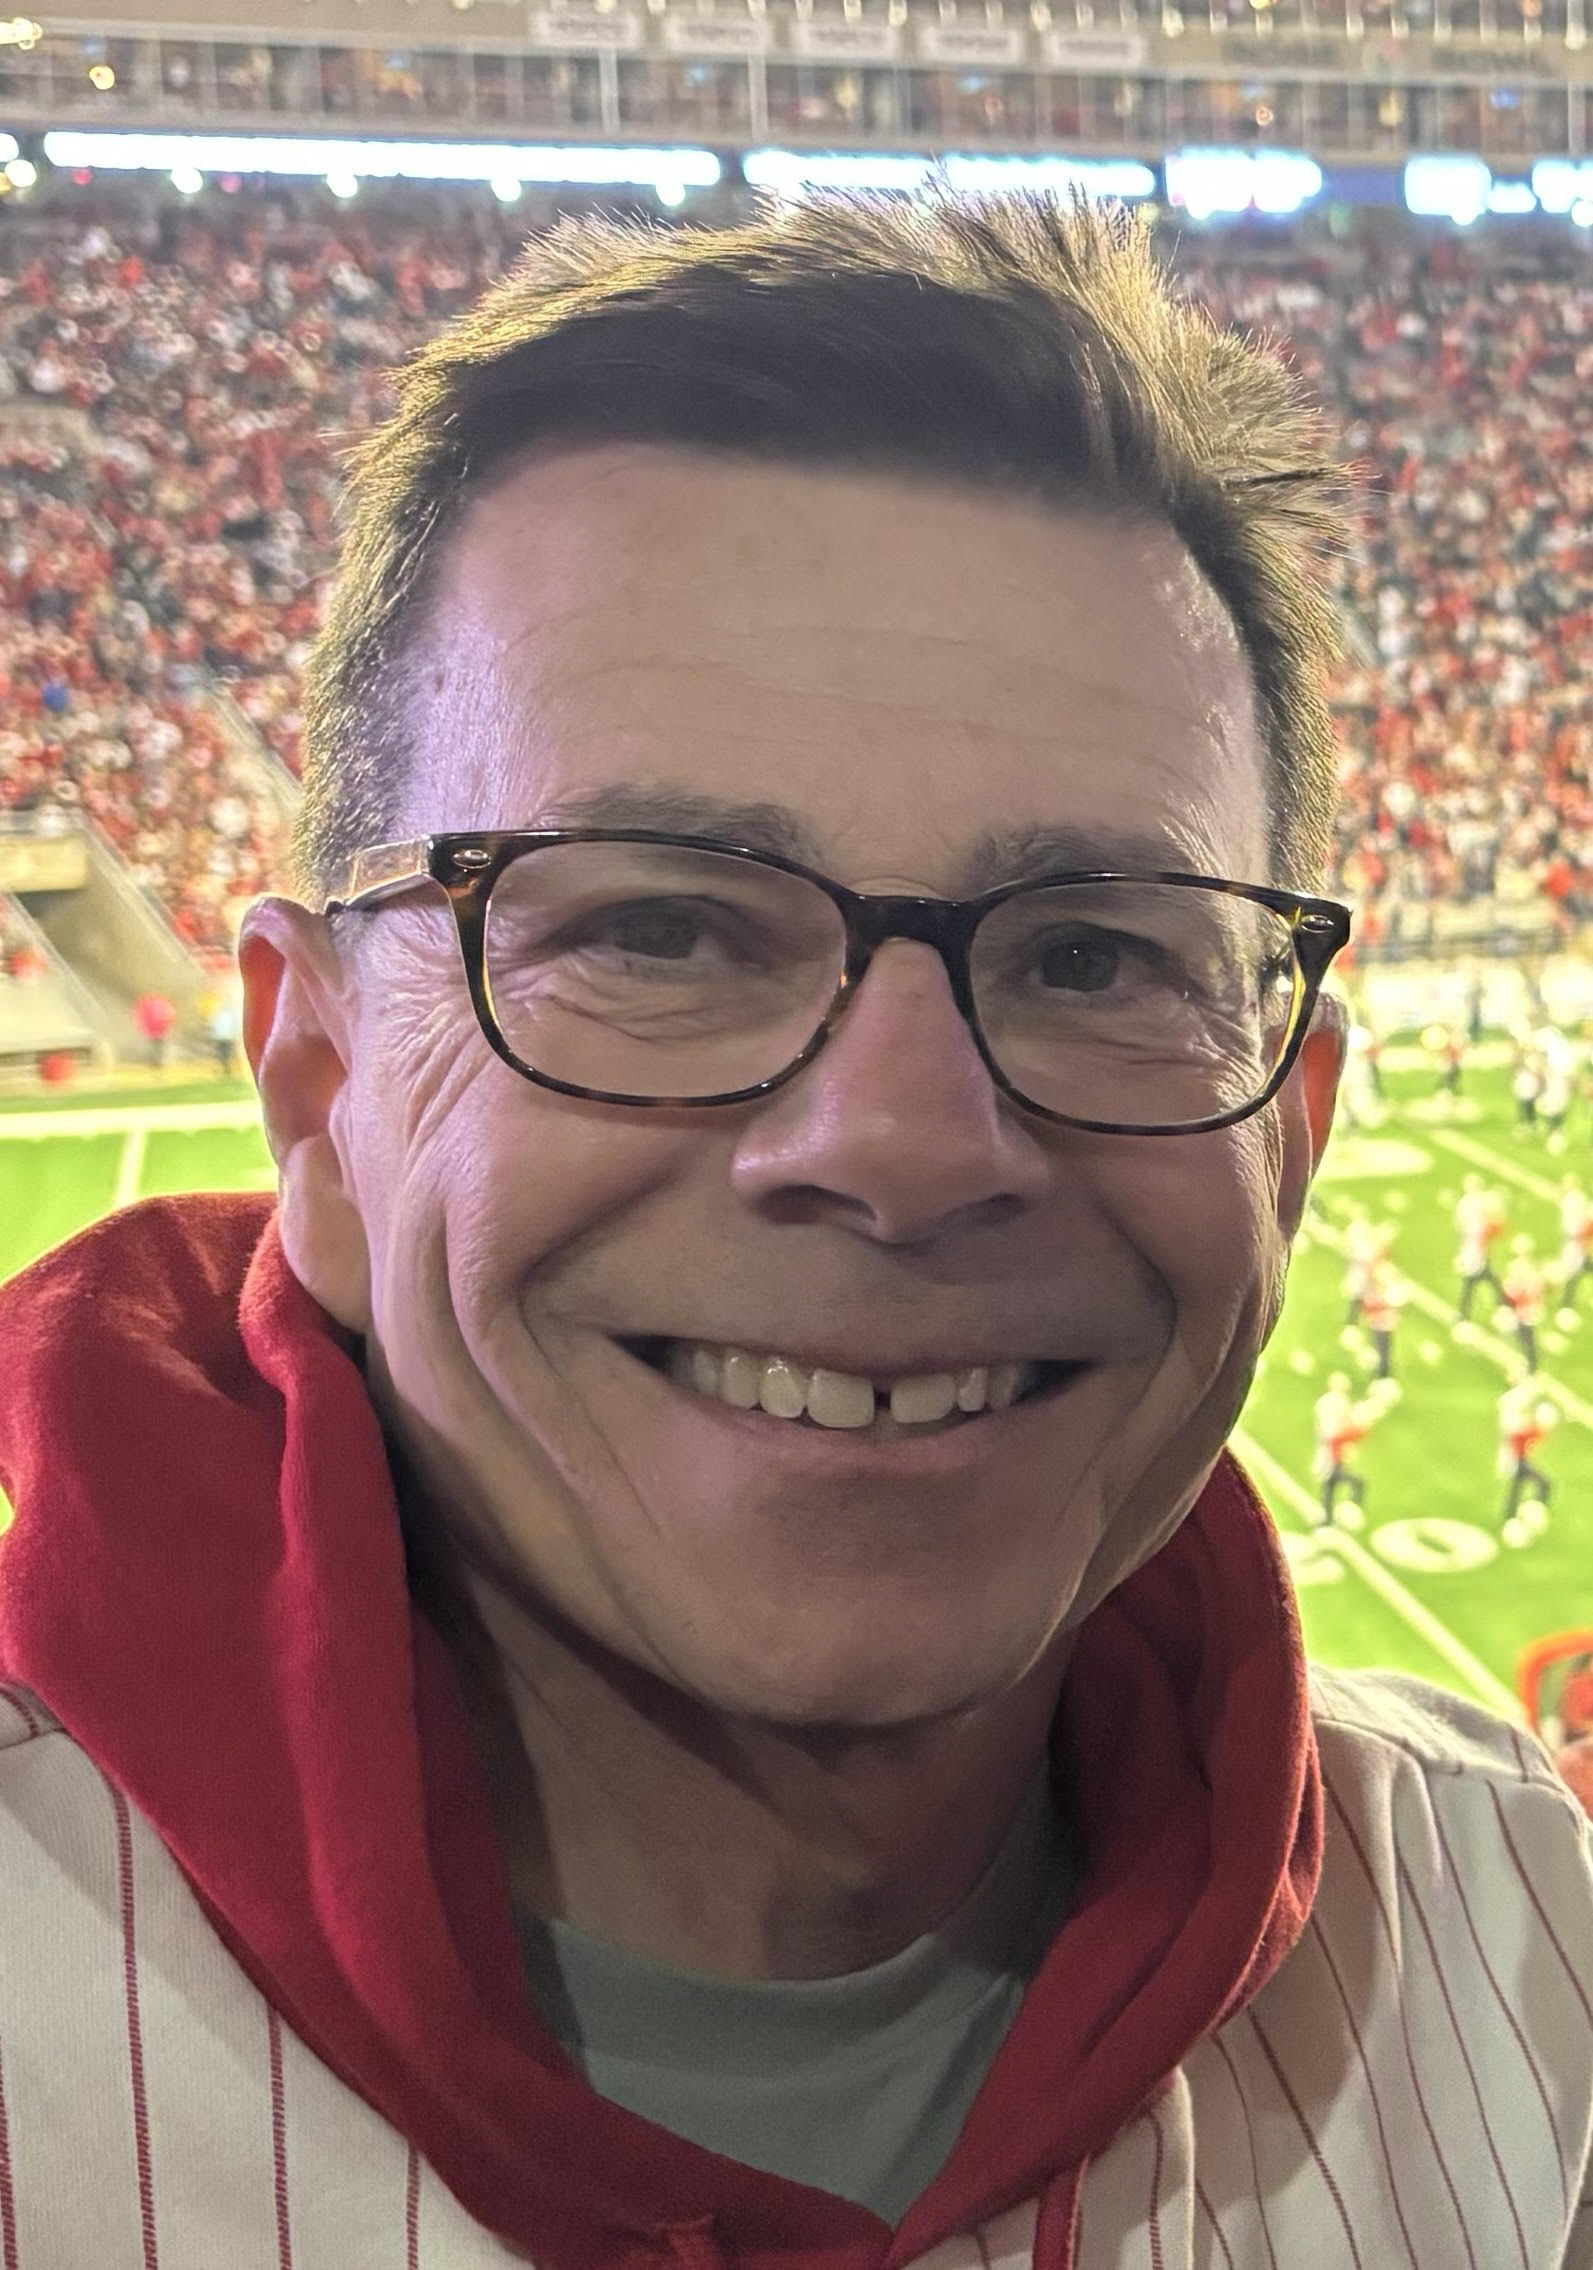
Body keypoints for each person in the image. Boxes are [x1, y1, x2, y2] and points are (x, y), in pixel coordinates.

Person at [1, 199, 1590, 2269]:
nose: (903, 1144)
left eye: (1097, 957)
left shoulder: (1524, 1944)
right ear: (316, 1087)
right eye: (656, 928)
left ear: (1289, 1133)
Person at [1496, 1376, 1556, 1548]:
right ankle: (1524, 1515)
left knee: (1518, 1488)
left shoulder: (1512, 1412)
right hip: (1516, 1460)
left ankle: (1512, 1516)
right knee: (1542, 1484)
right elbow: (1521, 1437)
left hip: (1515, 1459)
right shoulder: (1513, 1417)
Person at [1311, 1371, 1372, 1527]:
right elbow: (1345, 1426)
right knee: (1333, 1481)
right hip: (1333, 1446)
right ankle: (1333, 1515)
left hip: (1330, 1446)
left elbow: (1321, 1427)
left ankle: (1326, 1518)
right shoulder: (1339, 1403)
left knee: (1330, 1482)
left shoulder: (1324, 1402)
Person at [1453, 1171, 1507, 1319]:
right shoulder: (1467, 1204)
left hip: (1479, 1246)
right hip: (1473, 1248)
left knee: (1479, 1280)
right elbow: (1463, 1228)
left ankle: (1464, 1313)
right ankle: (1464, 1312)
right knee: (1477, 1280)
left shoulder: (1477, 1202)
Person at [1502, 1236, 1550, 1374]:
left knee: (1525, 1338)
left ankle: (1531, 1367)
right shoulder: (1530, 1269)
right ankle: (1530, 1363)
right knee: (1525, 1337)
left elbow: (1516, 1291)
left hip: (1524, 1310)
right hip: (1526, 1309)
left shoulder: (1519, 1268)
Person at [1557, 1176, 1593, 1306]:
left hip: (1575, 1240)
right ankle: (1567, 1299)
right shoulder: (1575, 1198)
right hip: (1575, 1239)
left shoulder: (1573, 1200)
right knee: (1578, 1267)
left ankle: (1567, 1300)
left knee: (1572, 1269)